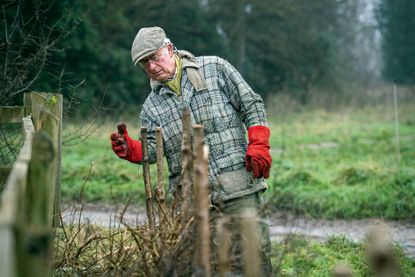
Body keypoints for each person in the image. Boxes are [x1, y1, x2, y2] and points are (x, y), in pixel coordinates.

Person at [110, 26, 273, 276]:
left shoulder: (215, 68)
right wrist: (130, 147)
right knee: (205, 266)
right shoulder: (152, 107)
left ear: (170, 48)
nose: (151, 67)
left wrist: (259, 144)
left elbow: (251, 104)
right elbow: (153, 150)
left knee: (253, 260)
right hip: (192, 201)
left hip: (238, 187)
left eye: (154, 57)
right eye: (144, 64)